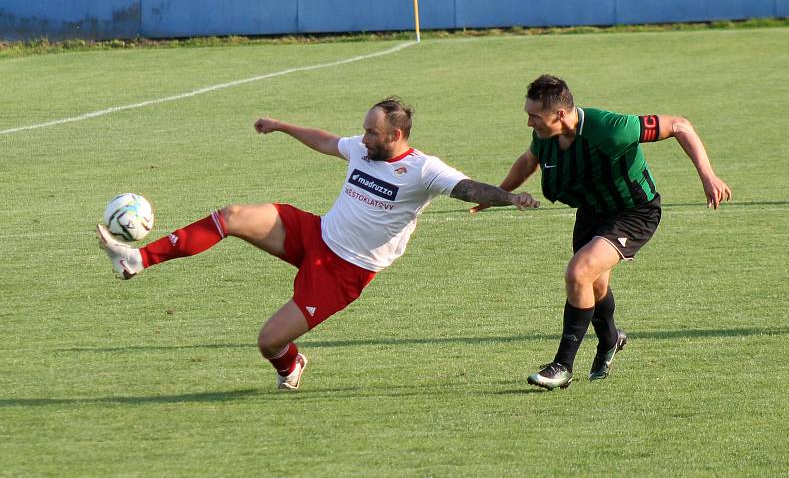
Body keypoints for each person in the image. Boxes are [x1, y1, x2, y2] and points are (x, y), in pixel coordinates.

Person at [96, 97, 538, 391]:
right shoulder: (365, 150)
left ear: (396, 136)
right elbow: (327, 141)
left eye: (371, 133)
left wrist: (509, 197)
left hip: (343, 272)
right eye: (363, 130)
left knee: (268, 342)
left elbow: (467, 188)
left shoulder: (424, 170)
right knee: (231, 216)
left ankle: (291, 365)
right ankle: (135, 258)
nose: (362, 139)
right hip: (315, 234)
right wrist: (281, 125)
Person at [471, 75, 732, 390]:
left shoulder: (611, 128)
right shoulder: (546, 135)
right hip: (592, 212)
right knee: (593, 286)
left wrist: (708, 176)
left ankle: (562, 366)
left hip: (634, 211)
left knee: (578, 273)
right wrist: (498, 195)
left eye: (535, 116)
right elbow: (530, 161)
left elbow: (680, 125)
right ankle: (610, 339)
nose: (529, 123)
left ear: (562, 114)